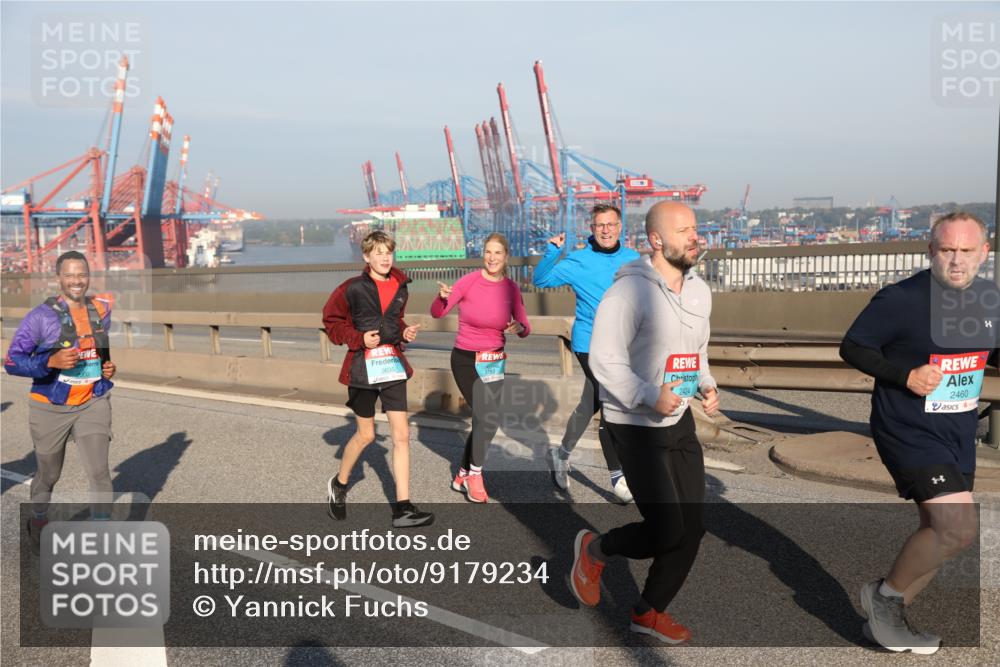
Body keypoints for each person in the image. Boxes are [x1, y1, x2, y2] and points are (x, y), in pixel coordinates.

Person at [840, 211, 996, 654]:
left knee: (940, 531)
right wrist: (904, 375)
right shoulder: (902, 299)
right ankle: (883, 599)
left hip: (958, 430)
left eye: (967, 250)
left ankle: (886, 621)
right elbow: (852, 346)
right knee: (958, 526)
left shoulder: (988, 298)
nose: (957, 260)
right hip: (907, 428)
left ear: (984, 253)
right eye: (947, 249)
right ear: (931, 251)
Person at [571, 201, 719, 644]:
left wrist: (707, 383)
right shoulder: (628, 293)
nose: (695, 237)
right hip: (634, 424)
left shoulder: (699, 291)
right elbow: (604, 360)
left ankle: (648, 612)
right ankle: (594, 550)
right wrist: (649, 395)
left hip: (678, 420)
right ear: (656, 240)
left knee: (692, 529)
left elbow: (697, 350)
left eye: (696, 228)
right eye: (684, 231)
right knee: (667, 529)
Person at [4, 251, 117, 554]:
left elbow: (100, 343)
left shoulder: (100, 309)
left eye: (81, 274)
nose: (76, 280)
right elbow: (12, 361)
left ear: (88, 276)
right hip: (50, 405)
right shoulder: (41, 317)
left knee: (99, 472)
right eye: (69, 275)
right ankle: (39, 519)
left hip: (93, 400)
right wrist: (50, 360)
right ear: (59, 279)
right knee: (49, 474)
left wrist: (106, 366)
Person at [323, 230, 433, 528]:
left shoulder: (400, 285)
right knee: (367, 436)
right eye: (379, 252)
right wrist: (359, 338)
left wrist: (405, 331)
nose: (385, 257)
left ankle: (403, 509)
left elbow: (393, 321)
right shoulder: (352, 288)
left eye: (389, 252)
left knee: (401, 435)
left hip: (392, 365)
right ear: (366, 256)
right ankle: (340, 484)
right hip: (362, 367)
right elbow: (331, 323)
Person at [532, 203, 640, 502]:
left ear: (620, 227)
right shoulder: (578, 261)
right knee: (611, 401)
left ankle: (560, 454)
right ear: (592, 229)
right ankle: (618, 477)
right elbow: (540, 280)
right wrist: (553, 252)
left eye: (611, 224)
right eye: (599, 225)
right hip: (589, 343)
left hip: (623, 345)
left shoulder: (633, 259)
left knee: (588, 403)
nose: (606, 230)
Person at [431, 232, 531, 503]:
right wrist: (441, 297)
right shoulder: (469, 281)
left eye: (498, 253)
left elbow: (525, 326)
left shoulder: (511, 288)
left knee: (483, 419)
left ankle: (462, 472)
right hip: (466, 359)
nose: (492, 257)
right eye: (488, 252)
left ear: (506, 257)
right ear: (483, 255)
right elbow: (438, 312)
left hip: (494, 360)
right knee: (489, 416)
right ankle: (475, 474)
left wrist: (520, 327)